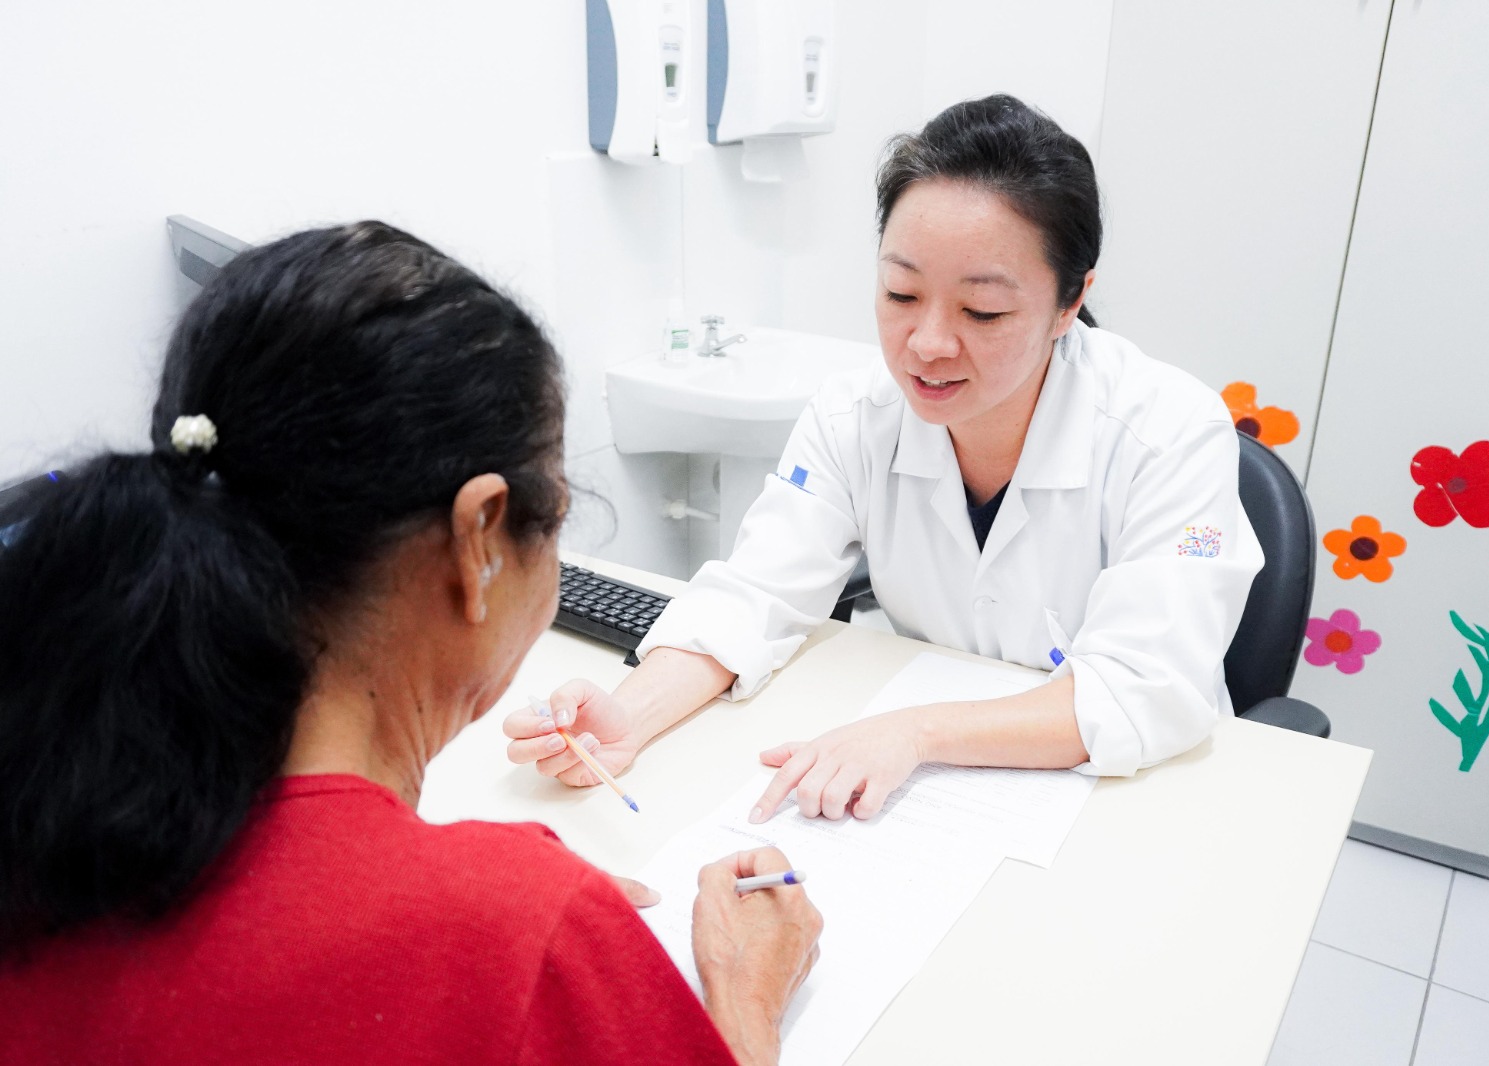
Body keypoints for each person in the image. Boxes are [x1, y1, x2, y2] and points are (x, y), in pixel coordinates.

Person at [0, 222, 820, 1066]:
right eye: (559, 520)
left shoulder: (50, 812)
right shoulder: (518, 930)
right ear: (480, 540)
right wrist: (742, 996)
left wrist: (451, 899)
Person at [508, 94, 1264, 824]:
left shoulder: (1169, 432)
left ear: (1071, 301)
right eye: (902, 293)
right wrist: (629, 716)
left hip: (1129, 791)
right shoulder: (854, 416)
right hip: (943, 796)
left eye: (983, 312)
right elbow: (756, 596)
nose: (929, 344)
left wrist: (916, 732)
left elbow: (1143, 688)